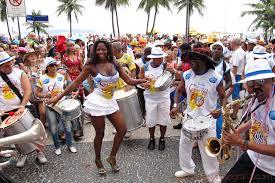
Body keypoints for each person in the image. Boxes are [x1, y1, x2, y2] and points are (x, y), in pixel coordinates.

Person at [48, 40, 147, 175]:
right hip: (97, 102)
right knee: (99, 133)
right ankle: (98, 159)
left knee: (122, 129)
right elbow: (76, 83)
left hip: (110, 101)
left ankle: (112, 157)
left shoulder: (114, 62)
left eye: (104, 49)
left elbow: (129, 80)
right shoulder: (91, 65)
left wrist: (143, 81)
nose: (101, 52)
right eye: (98, 50)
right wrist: (57, 98)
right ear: (94, 51)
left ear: (108, 50)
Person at [171, 48, 225, 183]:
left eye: (194, 62)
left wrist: (220, 109)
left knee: (209, 151)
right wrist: (175, 106)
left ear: (204, 62)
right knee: (184, 145)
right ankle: (187, 169)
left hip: (208, 120)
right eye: (190, 62)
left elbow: (223, 97)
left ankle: (213, 176)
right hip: (189, 118)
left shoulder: (215, 78)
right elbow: (178, 91)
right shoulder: (187, 74)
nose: (191, 65)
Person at [222, 59, 275, 183]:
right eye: (251, 84)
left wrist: (242, 142)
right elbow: (256, 119)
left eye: (261, 81)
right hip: (253, 155)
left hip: (271, 169)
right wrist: (237, 131)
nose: (256, 87)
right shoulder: (258, 96)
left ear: (273, 80)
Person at [0, 51, 47, 168]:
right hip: (6, 111)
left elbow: (28, 91)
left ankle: (39, 152)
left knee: (33, 132)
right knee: (15, 135)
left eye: (10, 63)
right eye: (6, 65)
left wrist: (22, 105)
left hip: (24, 108)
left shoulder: (20, 73)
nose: (9, 66)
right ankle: (22, 154)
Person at [35, 57, 77, 155]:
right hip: (50, 106)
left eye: (55, 65)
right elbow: (37, 93)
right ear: (47, 68)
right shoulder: (42, 79)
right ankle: (57, 147)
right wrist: (45, 95)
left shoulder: (61, 76)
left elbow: (65, 88)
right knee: (53, 128)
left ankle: (70, 145)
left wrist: (72, 93)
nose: (55, 67)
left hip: (62, 104)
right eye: (52, 66)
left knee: (67, 126)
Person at [139, 47, 177, 151]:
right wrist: (144, 84)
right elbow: (140, 80)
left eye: (161, 58)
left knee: (163, 120)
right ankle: (151, 139)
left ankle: (162, 138)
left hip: (164, 97)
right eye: (157, 58)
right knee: (151, 120)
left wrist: (173, 70)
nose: (160, 60)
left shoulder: (166, 66)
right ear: (152, 58)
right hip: (150, 98)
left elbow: (177, 76)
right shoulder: (145, 67)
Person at [229, 38, 246, 120]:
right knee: (236, 96)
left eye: (230, 43)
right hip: (238, 75)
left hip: (235, 76)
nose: (229, 44)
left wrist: (232, 79)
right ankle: (234, 113)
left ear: (234, 43)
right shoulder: (241, 51)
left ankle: (234, 115)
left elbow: (235, 67)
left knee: (235, 97)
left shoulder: (237, 53)